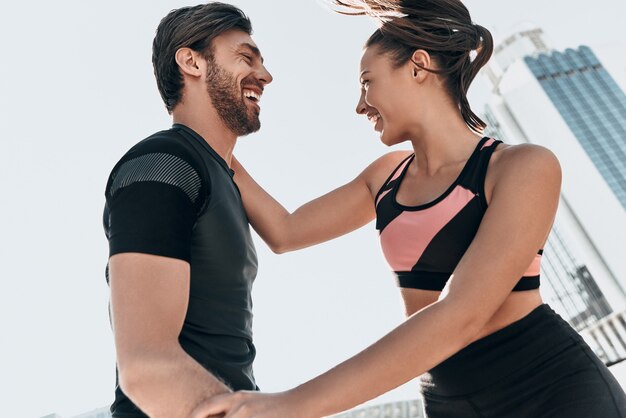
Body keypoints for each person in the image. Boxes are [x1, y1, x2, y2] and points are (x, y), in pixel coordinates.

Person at [194, 1, 626, 417]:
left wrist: (291, 405)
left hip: (550, 389)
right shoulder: (385, 177)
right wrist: (205, 131)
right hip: (447, 399)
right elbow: (285, 232)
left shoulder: (521, 166)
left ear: (418, 66)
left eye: (367, 82)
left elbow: (462, 312)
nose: (360, 105)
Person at [102, 3, 273, 417]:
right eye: (246, 57)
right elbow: (146, 367)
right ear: (191, 62)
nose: (265, 76)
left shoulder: (222, 176)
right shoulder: (165, 162)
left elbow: (289, 230)